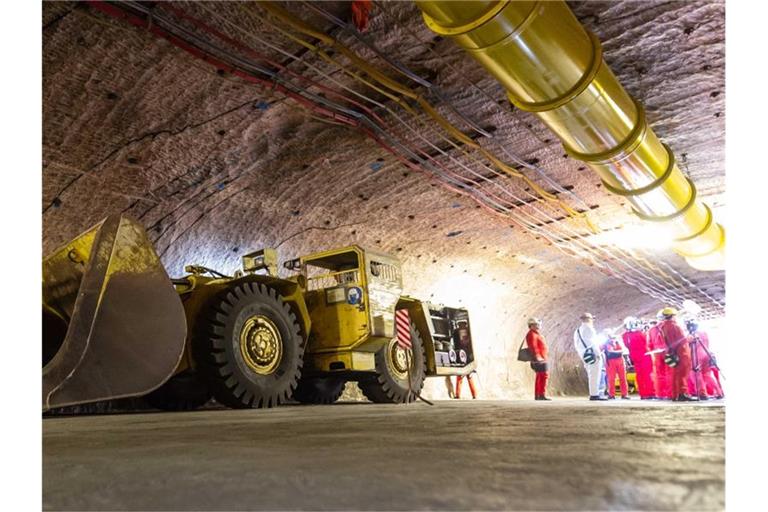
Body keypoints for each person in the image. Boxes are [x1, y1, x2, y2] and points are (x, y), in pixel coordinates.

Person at [657, 307, 695, 401]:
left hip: (673, 352)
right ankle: (683, 394)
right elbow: (682, 340)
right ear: (673, 316)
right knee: (682, 373)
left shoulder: (663, 327)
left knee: (675, 374)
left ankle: (675, 395)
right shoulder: (675, 326)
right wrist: (690, 338)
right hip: (682, 352)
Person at [685, 320, 724, 400]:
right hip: (706, 353)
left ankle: (702, 393)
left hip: (696, 356)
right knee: (707, 375)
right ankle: (719, 392)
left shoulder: (691, 335)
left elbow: (687, 346)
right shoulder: (704, 333)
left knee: (695, 375)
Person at [573, 313, 607, 400]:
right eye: (592, 319)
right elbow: (593, 343)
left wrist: (582, 354)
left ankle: (594, 393)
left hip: (584, 355)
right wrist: (597, 354)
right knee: (595, 374)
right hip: (593, 354)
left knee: (590, 374)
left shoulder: (577, 330)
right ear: (589, 319)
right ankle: (594, 394)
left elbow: (576, 345)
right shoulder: (589, 329)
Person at [623, 317, 656, 399]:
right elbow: (646, 342)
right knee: (647, 375)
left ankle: (643, 393)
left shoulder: (624, 336)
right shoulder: (639, 334)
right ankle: (650, 393)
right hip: (644, 355)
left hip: (634, 357)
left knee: (640, 375)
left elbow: (627, 346)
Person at [525, 317, 550, 401]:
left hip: (541, 357)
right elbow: (533, 346)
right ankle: (541, 395)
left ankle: (538, 395)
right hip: (539, 359)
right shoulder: (532, 334)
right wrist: (538, 357)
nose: (537, 326)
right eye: (535, 325)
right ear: (530, 326)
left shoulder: (535, 334)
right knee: (543, 376)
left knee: (540, 376)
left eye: (537, 324)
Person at [648, 315, 672, 400]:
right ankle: (670, 393)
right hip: (667, 352)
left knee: (659, 375)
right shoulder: (669, 326)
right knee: (669, 373)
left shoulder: (651, 330)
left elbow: (649, 344)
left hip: (656, 353)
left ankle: (660, 394)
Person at [603, 331, 630, 399]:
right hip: (610, 362)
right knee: (611, 379)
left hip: (620, 360)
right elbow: (608, 351)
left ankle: (624, 394)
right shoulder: (605, 344)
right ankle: (611, 394)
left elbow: (622, 350)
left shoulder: (618, 342)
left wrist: (614, 351)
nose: (612, 339)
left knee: (623, 378)